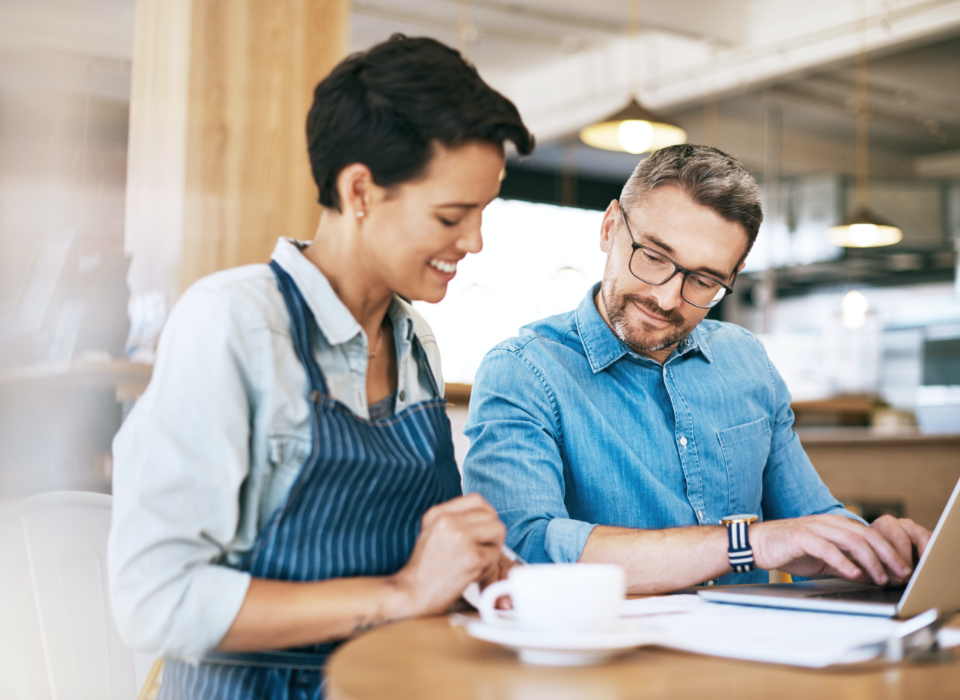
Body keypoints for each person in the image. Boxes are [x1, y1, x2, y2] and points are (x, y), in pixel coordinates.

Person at [108, 35, 533, 699]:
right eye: (453, 215)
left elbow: (419, 564)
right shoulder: (234, 324)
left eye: (483, 212)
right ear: (360, 189)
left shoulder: (415, 339)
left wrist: (466, 572)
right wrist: (401, 591)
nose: (474, 241)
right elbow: (155, 600)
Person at [462, 144, 931, 594]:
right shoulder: (523, 372)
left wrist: (877, 548)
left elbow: (810, 518)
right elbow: (520, 553)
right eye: (653, 257)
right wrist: (747, 544)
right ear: (609, 228)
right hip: (604, 665)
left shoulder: (746, 362)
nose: (666, 299)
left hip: (750, 663)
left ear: (733, 275)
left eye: (704, 280)